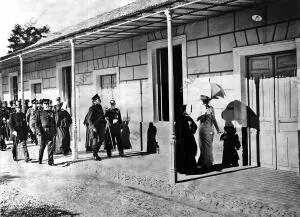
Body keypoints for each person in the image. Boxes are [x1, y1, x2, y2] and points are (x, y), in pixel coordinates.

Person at [197, 95, 221, 172]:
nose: (206, 102)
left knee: (208, 147)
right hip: (203, 129)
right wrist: (203, 114)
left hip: (210, 130)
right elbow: (197, 119)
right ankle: (206, 164)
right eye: (205, 101)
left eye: (207, 100)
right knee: (204, 147)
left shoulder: (211, 108)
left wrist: (218, 129)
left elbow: (214, 119)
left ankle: (205, 163)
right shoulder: (201, 107)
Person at [176, 105, 198, 174]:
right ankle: (190, 168)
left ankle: (182, 169)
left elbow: (176, 129)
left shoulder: (179, 119)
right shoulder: (188, 118)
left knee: (183, 154)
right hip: (188, 139)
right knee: (190, 153)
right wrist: (191, 132)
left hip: (181, 139)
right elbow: (195, 127)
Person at [36, 99, 56, 166]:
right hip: (43, 131)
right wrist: (39, 131)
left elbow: (54, 122)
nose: (47, 105)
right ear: (43, 105)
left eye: (47, 104)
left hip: (50, 131)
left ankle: (50, 162)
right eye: (45, 104)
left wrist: (54, 131)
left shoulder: (52, 112)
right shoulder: (39, 112)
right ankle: (40, 159)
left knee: (50, 146)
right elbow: (37, 123)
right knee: (42, 147)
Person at [87, 94, 106, 161]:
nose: (99, 100)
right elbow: (89, 119)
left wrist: (105, 119)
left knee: (101, 139)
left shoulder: (100, 107)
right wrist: (93, 127)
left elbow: (102, 116)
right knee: (95, 140)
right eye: (98, 99)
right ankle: (95, 155)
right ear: (94, 101)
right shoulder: (91, 108)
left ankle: (95, 152)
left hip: (100, 126)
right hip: (94, 126)